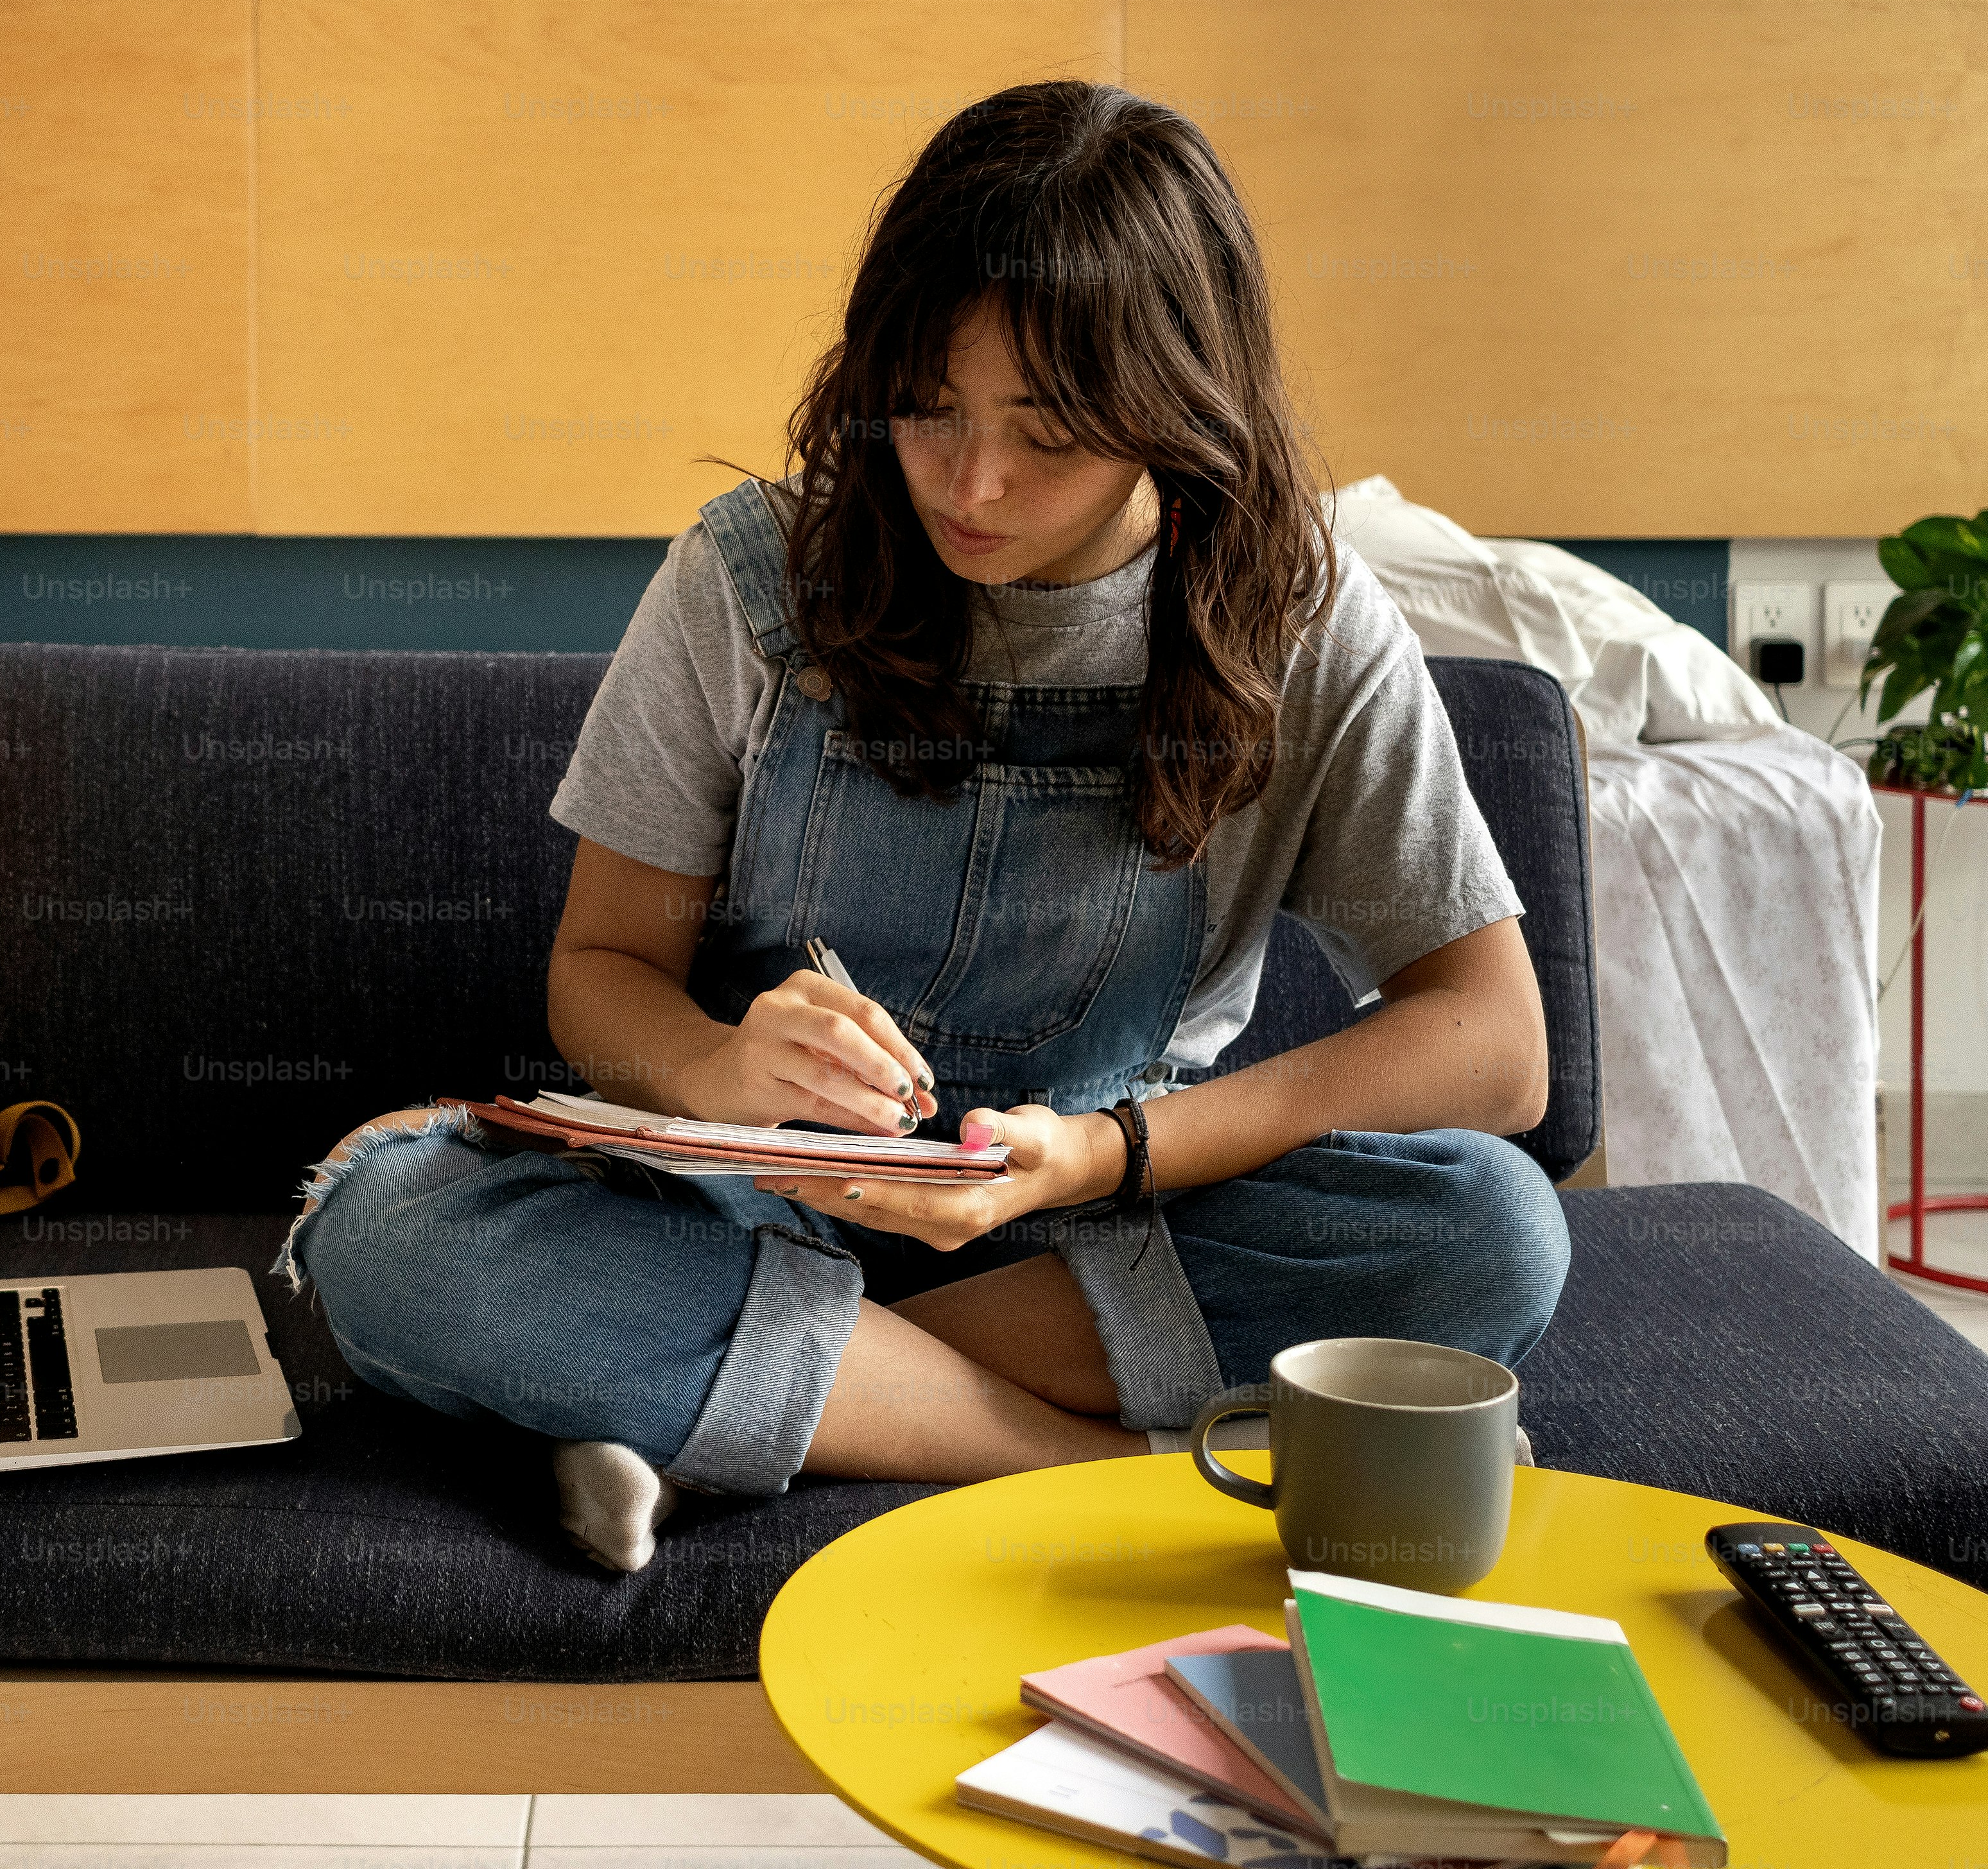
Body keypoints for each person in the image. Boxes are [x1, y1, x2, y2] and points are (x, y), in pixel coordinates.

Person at [279, 80, 1569, 1572]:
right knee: (386, 1229)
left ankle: (746, 1401)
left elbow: (1494, 1044)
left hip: (1089, 1221)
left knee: (1490, 1230)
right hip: (741, 1204)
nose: (972, 482)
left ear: (1174, 411)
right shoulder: (753, 580)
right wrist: (714, 1065)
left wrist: (1092, 1152)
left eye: (1051, 431)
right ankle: (1096, 1468)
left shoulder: (1300, 616)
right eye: (928, 408)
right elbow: (598, 967)